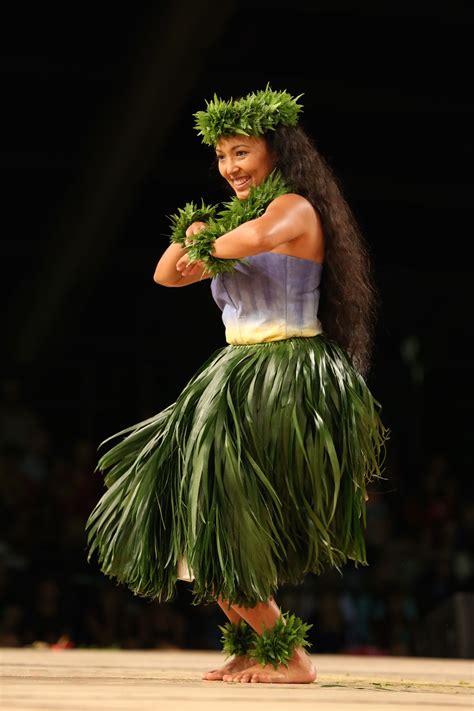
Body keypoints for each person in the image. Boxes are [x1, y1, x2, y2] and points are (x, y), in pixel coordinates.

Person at [86, 86, 389, 684]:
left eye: (241, 152)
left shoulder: (294, 210)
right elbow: (166, 275)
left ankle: (290, 655)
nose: (230, 167)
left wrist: (205, 237)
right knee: (184, 502)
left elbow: (247, 243)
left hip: (284, 374)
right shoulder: (240, 216)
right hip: (233, 373)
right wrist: (194, 231)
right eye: (222, 156)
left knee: (221, 510)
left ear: (275, 151)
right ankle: (260, 646)